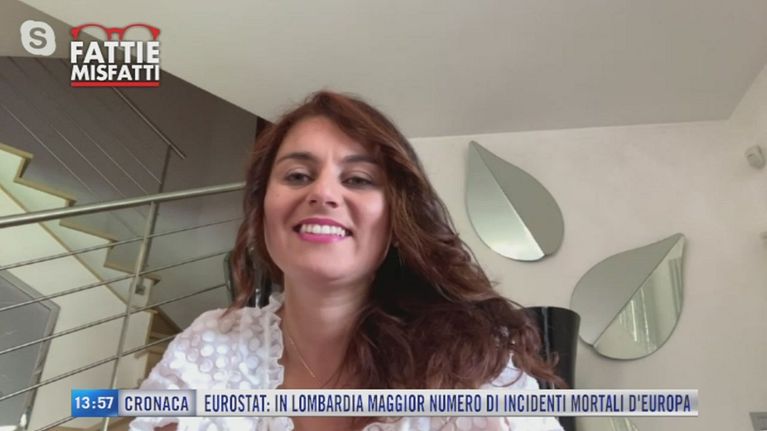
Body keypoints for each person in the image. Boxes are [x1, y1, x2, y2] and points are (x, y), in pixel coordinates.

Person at [129, 90, 565, 431]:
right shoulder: (208, 346)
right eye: (298, 175)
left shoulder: (469, 360)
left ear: (396, 220)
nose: (322, 193)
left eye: (357, 179)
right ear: (262, 210)